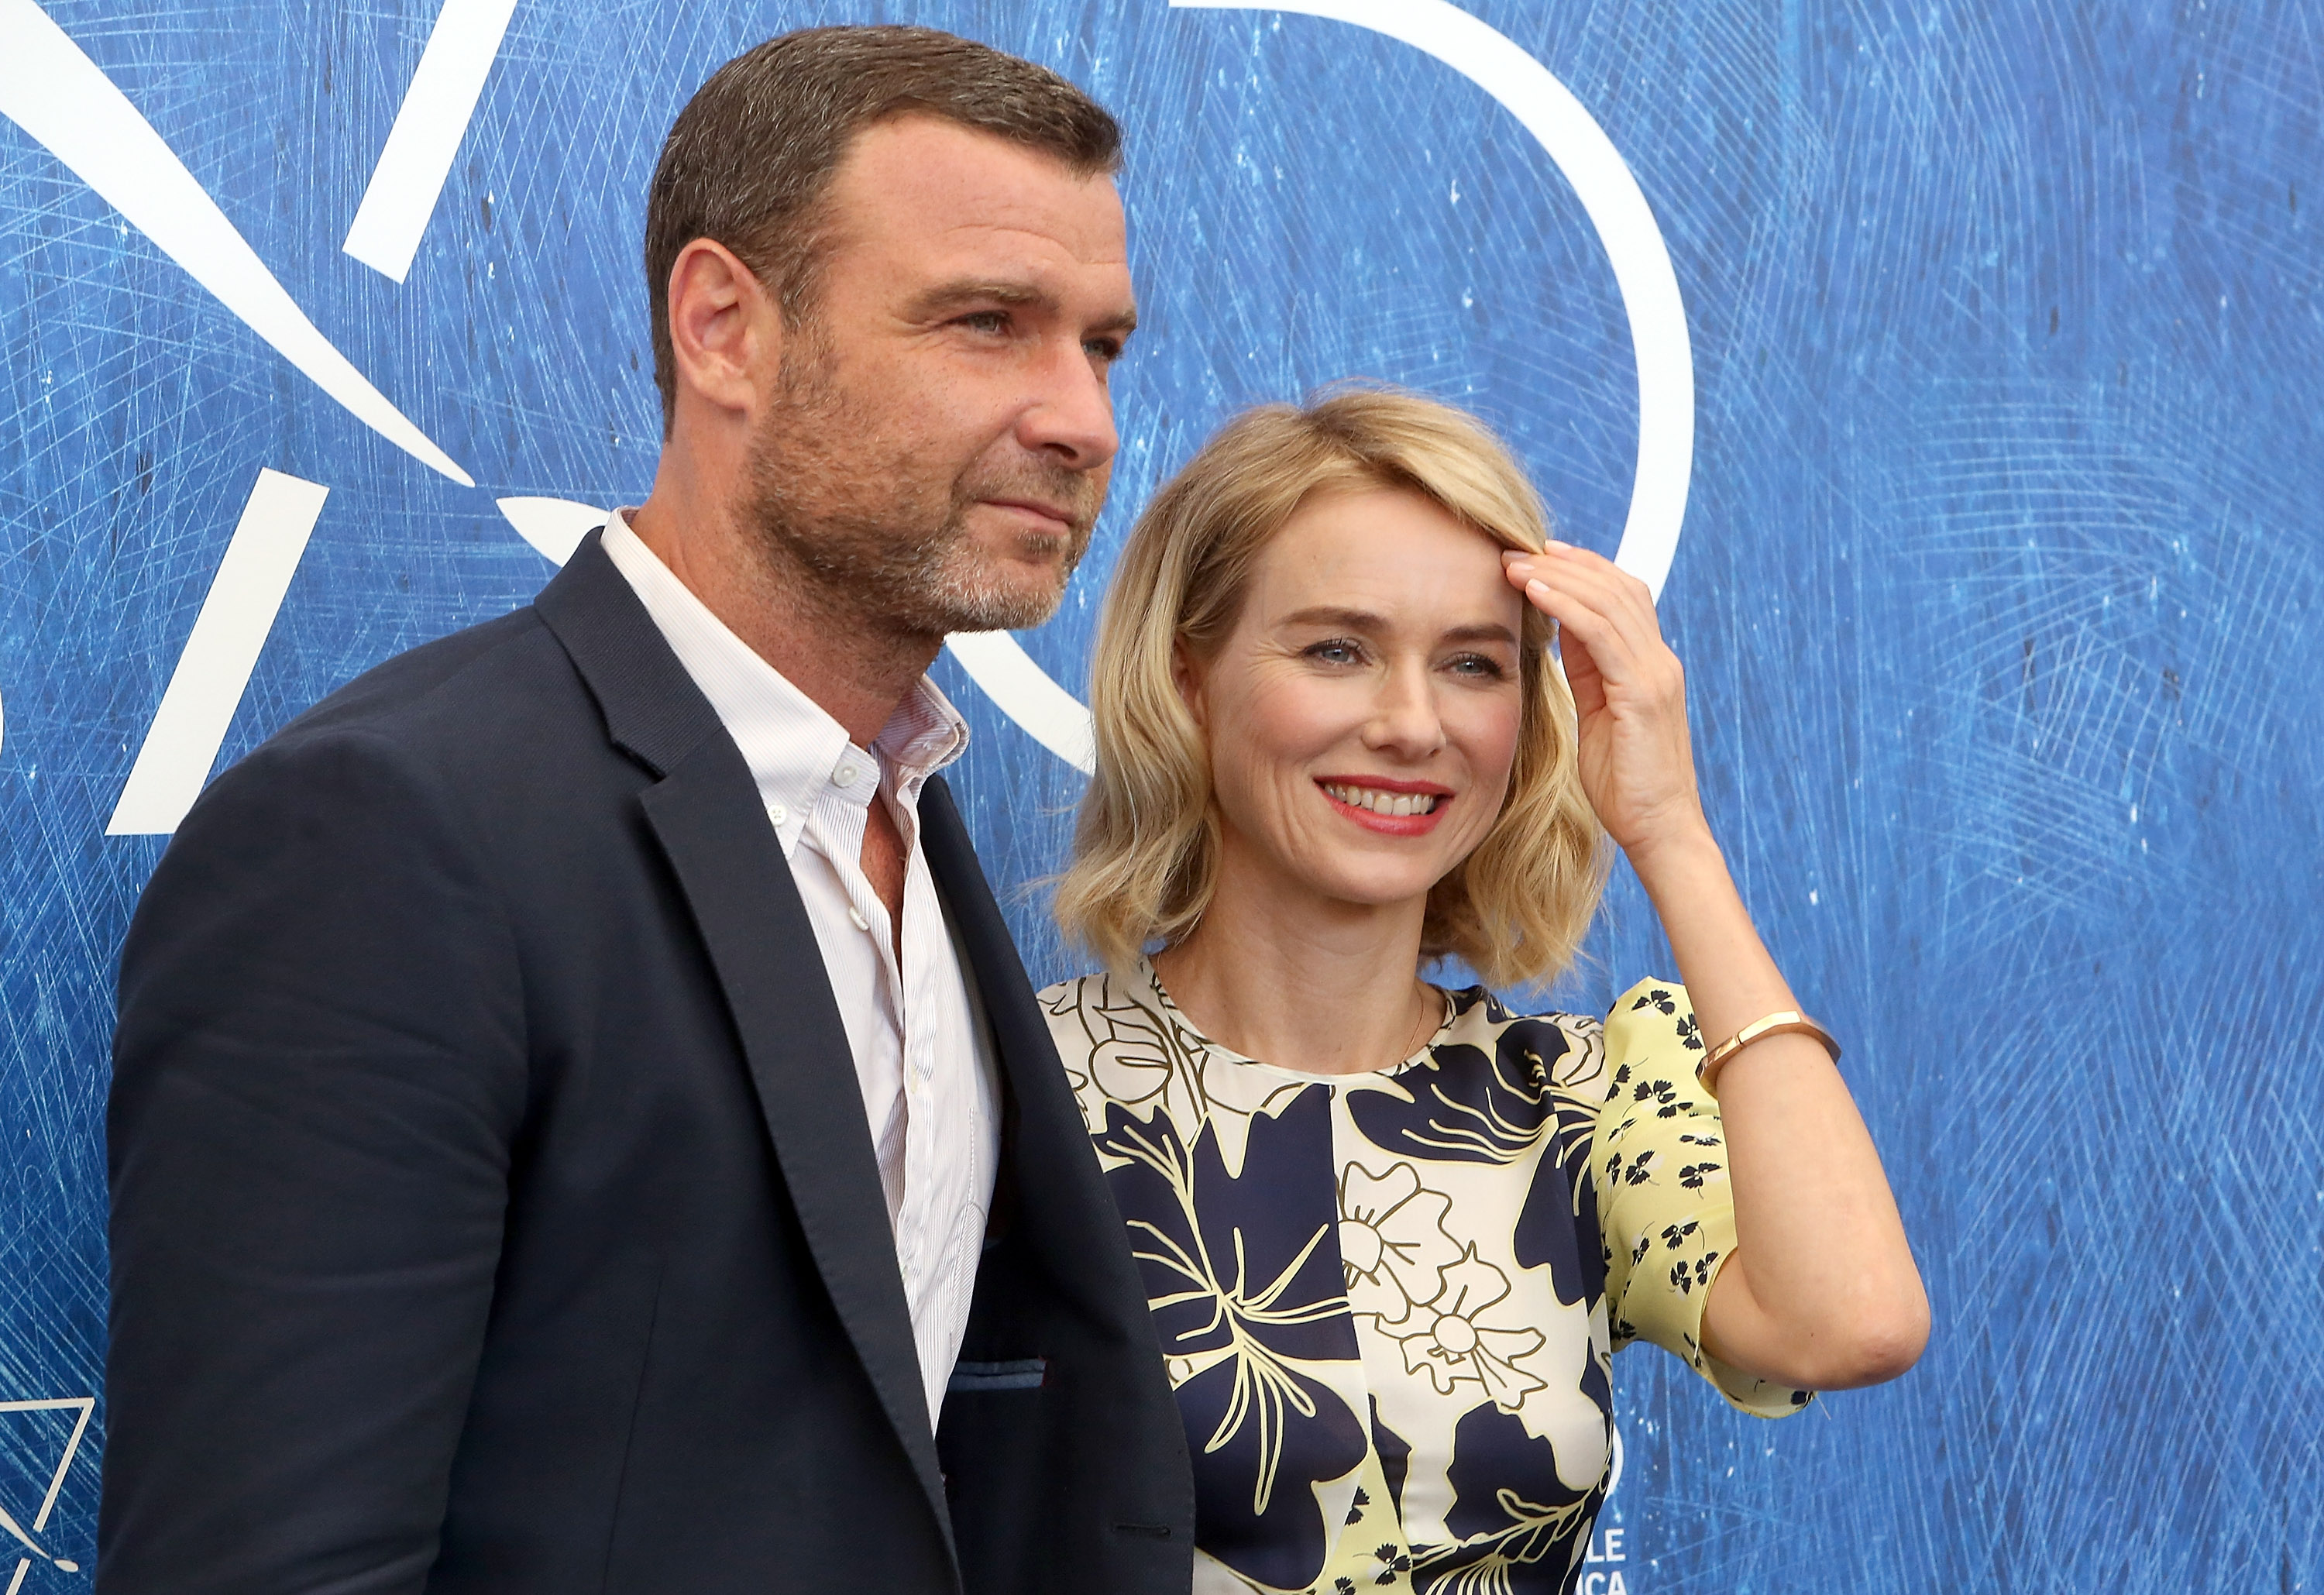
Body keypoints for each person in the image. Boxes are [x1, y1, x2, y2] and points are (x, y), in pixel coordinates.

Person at [102, 27, 1191, 1595]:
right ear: (724, 328)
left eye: (1101, 345)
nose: (1081, 418)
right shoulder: (386, 837)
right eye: (986, 324)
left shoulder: (913, 816)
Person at [1044, 390, 1929, 1593]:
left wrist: (1669, 832)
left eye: (1472, 664)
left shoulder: (1578, 1101)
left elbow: (1854, 1320)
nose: (1413, 724)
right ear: (1190, 679)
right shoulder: (1025, 1093)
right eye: (1338, 649)